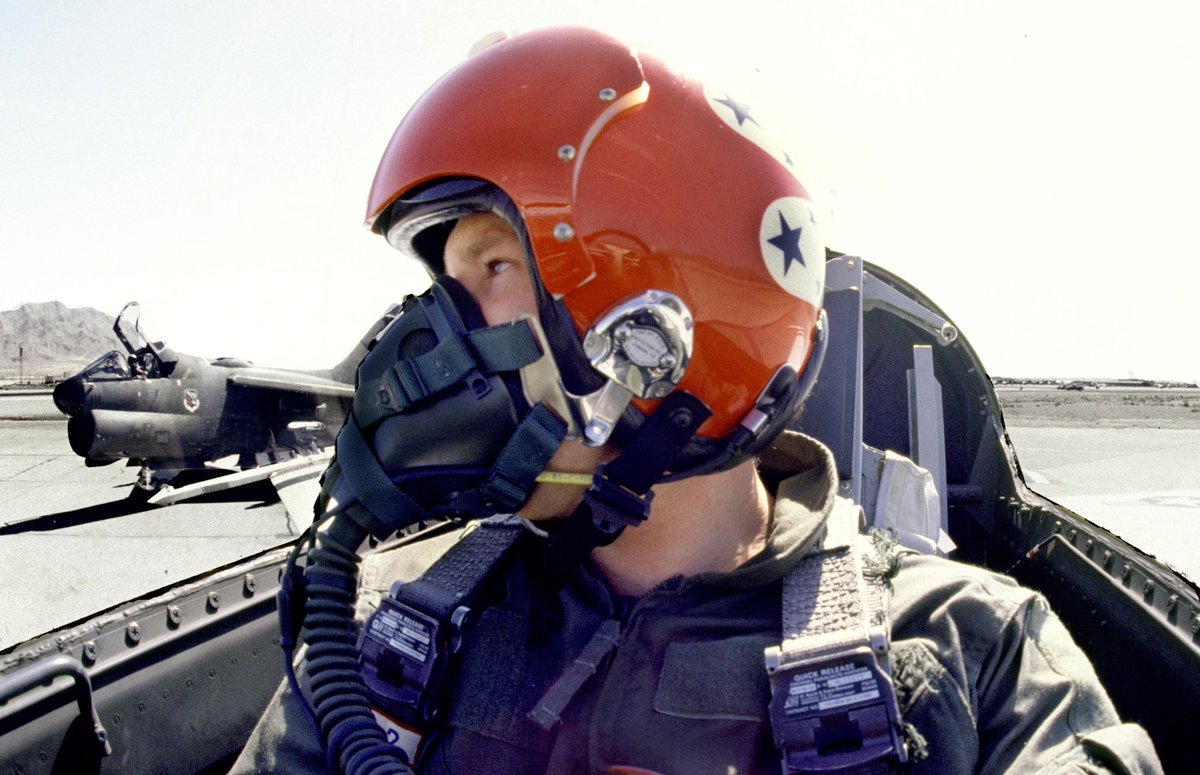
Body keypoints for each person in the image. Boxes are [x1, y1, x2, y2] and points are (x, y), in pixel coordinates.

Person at [231, 26, 1161, 774]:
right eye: (444, 280)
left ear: (657, 332)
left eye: (496, 263)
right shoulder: (385, 628)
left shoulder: (972, 652)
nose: (436, 329)